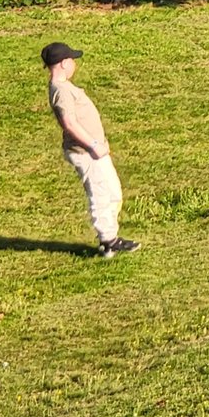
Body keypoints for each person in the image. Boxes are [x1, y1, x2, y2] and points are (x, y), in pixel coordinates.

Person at [42, 42, 140, 258]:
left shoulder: (63, 87)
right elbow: (69, 122)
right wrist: (93, 145)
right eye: (72, 59)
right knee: (100, 193)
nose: (74, 63)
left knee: (112, 191)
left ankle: (111, 237)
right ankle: (108, 241)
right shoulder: (61, 91)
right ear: (64, 63)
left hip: (95, 151)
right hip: (87, 152)